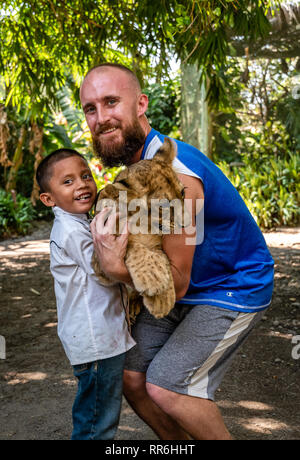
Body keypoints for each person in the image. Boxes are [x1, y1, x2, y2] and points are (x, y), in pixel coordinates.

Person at [80, 63, 274, 440]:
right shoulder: (138, 167)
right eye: (90, 108)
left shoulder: (176, 176)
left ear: (141, 104)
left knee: (168, 386)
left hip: (229, 285)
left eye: (111, 102)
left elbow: (174, 285)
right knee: (131, 377)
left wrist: (113, 265)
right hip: (191, 285)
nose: (101, 118)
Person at [36, 148, 135, 440]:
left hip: (98, 339)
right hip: (96, 341)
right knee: (96, 423)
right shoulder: (71, 230)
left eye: (85, 176)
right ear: (48, 198)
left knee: (98, 414)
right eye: (67, 182)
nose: (81, 184)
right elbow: (104, 270)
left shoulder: (76, 223)